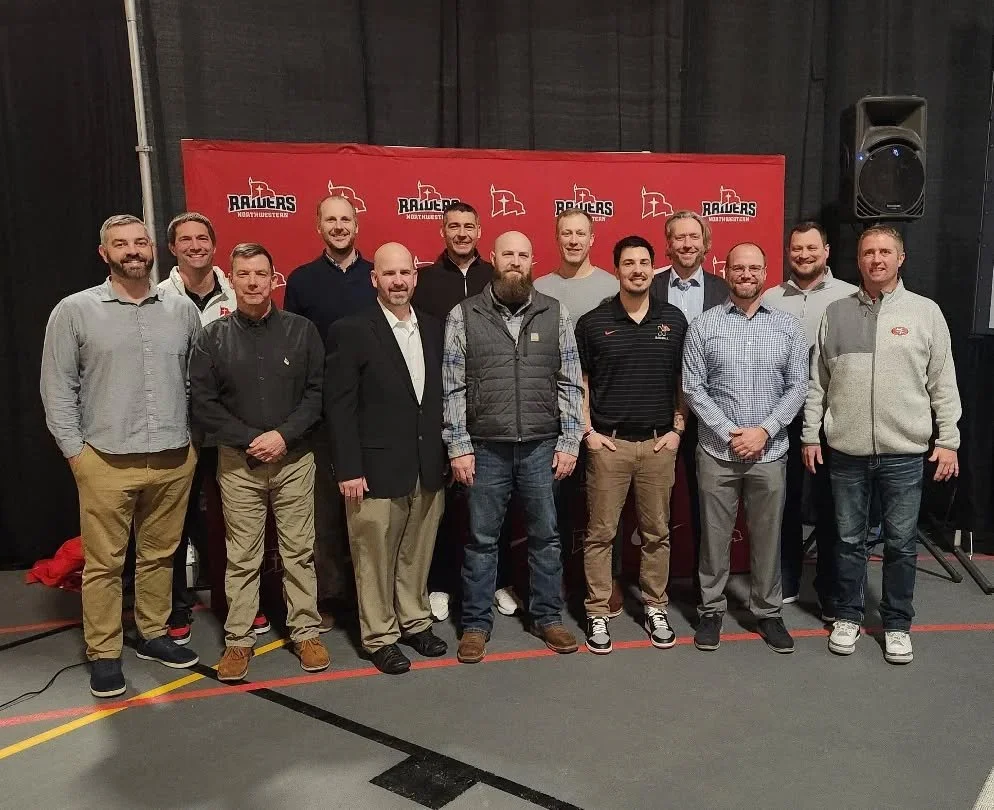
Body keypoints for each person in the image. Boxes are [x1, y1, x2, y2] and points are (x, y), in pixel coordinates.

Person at [41, 214, 200, 698]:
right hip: (105, 460)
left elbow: (197, 382)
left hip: (174, 457)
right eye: (121, 244)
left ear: (153, 249)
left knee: (158, 556)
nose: (133, 251)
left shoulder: (181, 310)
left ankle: (152, 635)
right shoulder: (74, 311)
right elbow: (57, 387)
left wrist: (191, 440)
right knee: (105, 564)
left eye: (140, 242)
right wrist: (76, 455)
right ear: (104, 253)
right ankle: (105, 653)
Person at [803, 225, 961, 665]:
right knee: (848, 541)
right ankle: (849, 616)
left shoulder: (926, 313)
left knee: (901, 543)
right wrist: (810, 433)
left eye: (885, 252)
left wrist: (948, 440)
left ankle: (896, 624)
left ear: (901, 258)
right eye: (869, 252)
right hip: (847, 453)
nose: (877, 259)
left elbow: (943, 383)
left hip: (904, 453)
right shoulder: (835, 312)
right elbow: (819, 382)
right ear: (858, 260)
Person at [190, 243, 330, 681]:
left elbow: (316, 395)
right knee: (242, 556)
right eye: (244, 274)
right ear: (231, 279)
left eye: (261, 274)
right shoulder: (212, 337)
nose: (253, 282)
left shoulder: (302, 331)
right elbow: (204, 404)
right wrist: (251, 439)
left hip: (294, 460)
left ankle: (305, 631)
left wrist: (282, 437)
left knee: (299, 552)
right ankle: (238, 641)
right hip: (237, 463)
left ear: (274, 279)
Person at [443, 230, 584, 663]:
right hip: (486, 446)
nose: (516, 261)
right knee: (482, 540)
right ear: (493, 258)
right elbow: (453, 388)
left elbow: (570, 380)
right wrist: (458, 446)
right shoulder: (464, 314)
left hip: (543, 446)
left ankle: (547, 617)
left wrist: (570, 441)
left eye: (523, 254)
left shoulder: (554, 312)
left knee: (546, 536)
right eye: (508, 254)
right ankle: (475, 624)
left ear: (532, 261)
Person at [325, 243, 448, 674]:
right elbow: (338, 406)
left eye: (405, 273)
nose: (398, 281)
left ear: (415, 277)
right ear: (374, 278)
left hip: (427, 465)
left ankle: (414, 620)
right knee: (373, 555)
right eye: (389, 274)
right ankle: (379, 635)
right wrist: (349, 468)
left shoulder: (434, 327)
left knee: (417, 551)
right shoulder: (352, 329)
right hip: (373, 470)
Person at [682, 242, 807, 654]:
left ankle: (768, 612)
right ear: (727, 271)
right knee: (713, 538)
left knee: (768, 537)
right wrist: (732, 431)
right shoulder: (703, 326)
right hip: (717, 453)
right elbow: (693, 388)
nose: (746, 274)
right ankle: (712, 609)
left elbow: (798, 386)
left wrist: (765, 431)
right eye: (739, 268)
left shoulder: (788, 327)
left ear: (765, 271)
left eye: (754, 267)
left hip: (769, 453)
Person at [574, 236, 688, 654]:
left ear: (654, 267)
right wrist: (588, 433)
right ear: (616, 269)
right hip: (610, 447)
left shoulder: (673, 320)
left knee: (657, 533)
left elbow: (684, 382)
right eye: (628, 263)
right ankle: (598, 611)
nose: (637, 269)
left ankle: (656, 606)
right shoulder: (592, 322)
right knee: (601, 534)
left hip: (659, 446)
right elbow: (579, 383)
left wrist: (678, 429)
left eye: (644, 262)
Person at [412, 201, 518, 622]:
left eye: (468, 226)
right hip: (441, 404)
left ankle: (498, 582)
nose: (461, 233)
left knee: (497, 503)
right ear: (442, 230)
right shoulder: (424, 281)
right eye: (453, 226)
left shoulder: (497, 278)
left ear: (479, 230)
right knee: (443, 504)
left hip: (493, 408)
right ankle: (440, 582)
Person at [285, 195, 377, 625]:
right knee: (324, 512)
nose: (339, 226)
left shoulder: (375, 276)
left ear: (357, 225)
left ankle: (371, 596)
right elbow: (295, 349)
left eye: (346, 219)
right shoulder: (302, 281)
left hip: (373, 410)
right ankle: (330, 596)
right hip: (321, 414)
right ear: (317, 226)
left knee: (372, 511)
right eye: (331, 220)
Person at [155, 211, 243, 644]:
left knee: (231, 522)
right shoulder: (157, 299)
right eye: (185, 240)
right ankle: (176, 606)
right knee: (175, 521)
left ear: (213, 244)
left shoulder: (237, 293)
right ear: (172, 248)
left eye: (202, 238)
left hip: (226, 430)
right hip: (178, 431)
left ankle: (235, 603)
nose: (195, 246)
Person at [762, 221, 858, 616]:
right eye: (796, 249)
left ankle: (830, 586)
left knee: (831, 504)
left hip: (831, 415)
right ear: (788, 253)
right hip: (780, 413)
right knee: (781, 500)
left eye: (811, 248)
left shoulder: (850, 297)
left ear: (827, 251)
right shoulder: (769, 297)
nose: (803, 255)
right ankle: (785, 575)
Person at [534, 207, 624, 613]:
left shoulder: (611, 286)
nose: (573, 240)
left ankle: (608, 581)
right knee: (555, 509)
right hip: (548, 417)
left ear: (593, 239)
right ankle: (562, 583)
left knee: (605, 507)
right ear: (557, 238)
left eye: (580, 233)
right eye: (566, 233)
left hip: (601, 415)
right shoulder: (539, 287)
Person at [649, 210, 728, 591]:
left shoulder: (725, 289)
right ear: (667, 245)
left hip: (711, 411)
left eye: (693, 237)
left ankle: (705, 586)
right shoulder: (647, 285)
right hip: (657, 407)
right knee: (653, 503)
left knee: (707, 503)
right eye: (678, 238)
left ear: (705, 244)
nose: (686, 244)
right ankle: (653, 588)